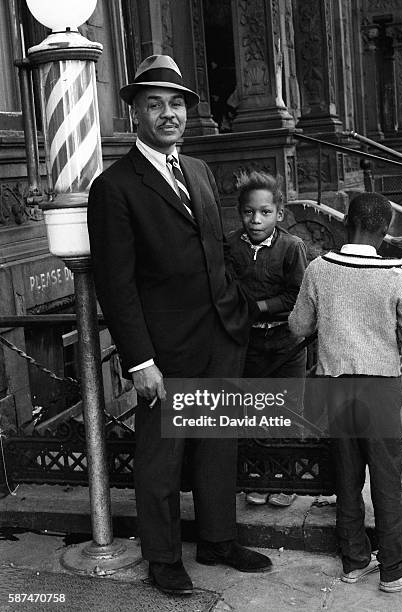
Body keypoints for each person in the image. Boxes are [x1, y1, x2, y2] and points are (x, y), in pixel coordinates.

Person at [87, 55, 271, 596]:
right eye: (155, 104)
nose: (168, 114)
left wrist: (236, 309)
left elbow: (214, 248)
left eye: (176, 104)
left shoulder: (198, 170)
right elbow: (116, 285)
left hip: (220, 333)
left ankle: (217, 538)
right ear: (135, 113)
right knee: (162, 458)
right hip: (165, 350)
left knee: (218, 443)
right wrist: (140, 359)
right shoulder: (114, 187)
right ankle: (163, 558)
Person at [288, 192, 402, 592]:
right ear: (385, 231)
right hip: (380, 388)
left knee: (346, 476)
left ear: (345, 223)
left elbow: (299, 326)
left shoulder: (319, 270)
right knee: (387, 479)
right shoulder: (396, 275)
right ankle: (394, 568)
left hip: (335, 387)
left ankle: (354, 561)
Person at [228, 171, 307, 508]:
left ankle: (286, 479)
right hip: (248, 346)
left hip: (286, 345)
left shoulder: (291, 247)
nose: (256, 220)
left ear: (279, 213)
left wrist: (258, 307)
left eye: (264, 212)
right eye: (249, 212)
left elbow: (298, 296)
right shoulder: (231, 246)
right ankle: (260, 477)